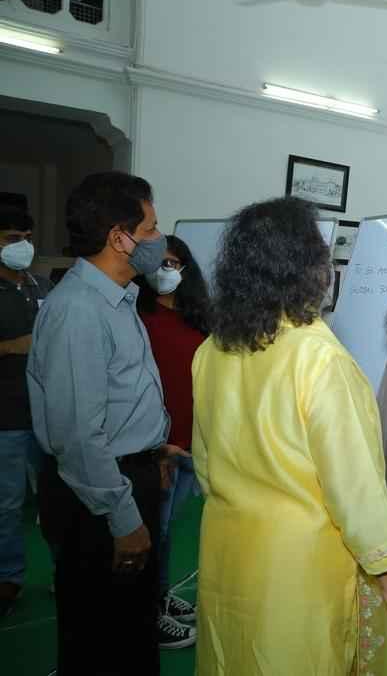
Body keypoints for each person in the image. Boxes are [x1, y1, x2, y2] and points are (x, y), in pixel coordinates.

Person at [191, 197, 387, 676]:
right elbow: (354, 487)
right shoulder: (320, 358)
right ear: (309, 268)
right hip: (298, 565)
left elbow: (206, 464)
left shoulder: (212, 349)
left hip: (227, 548)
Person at [27, 171, 188, 675]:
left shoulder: (116, 298)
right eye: (150, 228)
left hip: (124, 475)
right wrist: (123, 518)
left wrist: (153, 450)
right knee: (102, 639)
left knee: (130, 631)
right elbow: (77, 437)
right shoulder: (79, 309)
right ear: (120, 238)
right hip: (97, 494)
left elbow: (115, 399)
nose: (158, 239)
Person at [135, 234, 211, 648]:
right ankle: (148, 613)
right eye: (159, 263)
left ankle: (160, 596)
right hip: (156, 446)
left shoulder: (198, 316)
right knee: (155, 530)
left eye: (173, 264)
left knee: (168, 531)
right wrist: (156, 449)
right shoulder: (136, 314)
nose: (166, 272)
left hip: (191, 441)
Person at [0, 205, 52, 619]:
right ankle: (8, 577)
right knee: (8, 505)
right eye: (11, 239)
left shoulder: (43, 286)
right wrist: (10, 347)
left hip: (50, 415)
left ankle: (66, 571)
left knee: (61, 499)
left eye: (27, 238)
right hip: (7, 416)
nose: (22, 246)